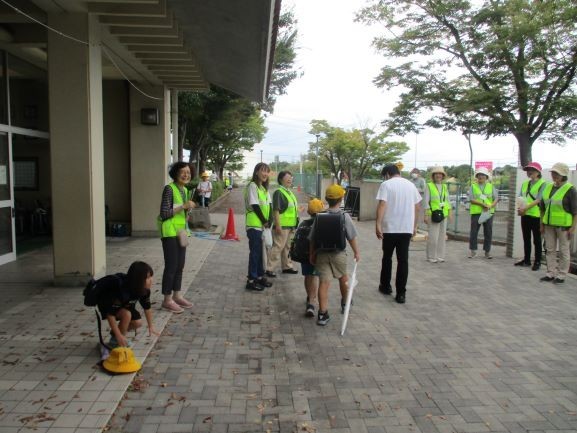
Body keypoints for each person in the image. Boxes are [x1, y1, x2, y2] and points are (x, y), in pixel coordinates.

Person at [309, 184, 360, 326]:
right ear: (341, 198)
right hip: (339, 254)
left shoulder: (320, 216)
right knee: (343, 279)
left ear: (326, 199)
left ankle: (322, 314)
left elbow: (312, 238)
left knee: (324, 283)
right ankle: (345, 303)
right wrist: (356, 251)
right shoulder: (344, 216)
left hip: (322, 254)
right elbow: (351, 236)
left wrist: (312, 253)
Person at [375, 164, 422, 304]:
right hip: (406, 228)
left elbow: (382, 204)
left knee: (387, 257)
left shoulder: (386, 185)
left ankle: (385, 286)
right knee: (403, 260)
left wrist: (378, 224)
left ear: (388, 174)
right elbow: (417, 207)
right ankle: (401, 293)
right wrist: (414, 226)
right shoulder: (411, 185)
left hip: (390, 228)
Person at [158, 162, 196, 313]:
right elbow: (164, 213)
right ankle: (167, 300)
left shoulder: (184, 190)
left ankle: (177, 295)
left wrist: (187, 213)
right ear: (175, 173)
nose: (186, 175)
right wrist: (183, 207)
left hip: (180, 232)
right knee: (171, 266)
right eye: (183, 172)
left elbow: (182, 212)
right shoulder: (169, 189)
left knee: (180, 265)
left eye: (188, 172)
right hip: (169, 233)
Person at [97, 261, 160, 348]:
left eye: (151, 276)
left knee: (137, 323)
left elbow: (147, 308)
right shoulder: (122, 291)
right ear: (138, 279)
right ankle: (116, 341)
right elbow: (110, 314)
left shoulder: (144, 290)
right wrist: (119, 336)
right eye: (148, 278)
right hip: (108, 305)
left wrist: (151, 326)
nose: (151, 280)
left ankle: (115, 336)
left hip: (125, 305)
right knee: (127, 315)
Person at [539, 162, 577, 284]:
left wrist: (573, 227)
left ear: (563, 175)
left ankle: (561, 275)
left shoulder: (570, 190)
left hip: (564, 226)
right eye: (553, 173)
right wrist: (542, 223)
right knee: (549, 249)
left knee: (563, 250)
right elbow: (542, 208)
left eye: (557, 173)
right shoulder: (548, 187)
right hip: (548, 224)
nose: (554, 175)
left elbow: (575, 211)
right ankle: (550, 273)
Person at [245, 162, 274, 291]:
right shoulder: (252, 186)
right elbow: (255, 205)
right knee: (255, 253)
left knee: (261, 253)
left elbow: (270, 206)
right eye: (263, 171)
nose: (265, 174)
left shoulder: (264, 189)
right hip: (254, 225)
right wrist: (264, 221)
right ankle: (251, 280)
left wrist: (270, 220)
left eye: (267, 171)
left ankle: (260, 277)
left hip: (263, 226)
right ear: (256, 172)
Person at [266, 171, 299, 277]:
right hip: (282, 226)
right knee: (278, 247)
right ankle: (269, 268)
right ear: (281, 179)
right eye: (287, 177)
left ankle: (287, 266)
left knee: (287, 247)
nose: (290, 179)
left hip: (291, 225)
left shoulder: (289, 192)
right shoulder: (279, 192)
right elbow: (275, 210)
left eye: (291, 177)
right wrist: (278, 225)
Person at [515, 162, 547, 270]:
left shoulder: (543, 184)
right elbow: (520, 197)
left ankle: (537, 261)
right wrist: (520, 208)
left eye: (532, 170)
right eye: (528, 170)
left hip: (536, 215)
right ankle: (527, 259)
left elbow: (538, 199)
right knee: (526, 238)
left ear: (538, 172)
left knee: (537, 240)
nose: (530, 172)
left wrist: (525, 208)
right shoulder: (525, 184)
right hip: (525, 214)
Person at [297, 198, 324, 318]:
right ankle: (312, 303)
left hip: (304, 255)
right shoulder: (322, 223)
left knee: (308, 276)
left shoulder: (303, 223)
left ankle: (309, 297)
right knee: (315, 276)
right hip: (317, 255)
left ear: (308, 211)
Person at [468, 167, 499, 259]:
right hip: (476, 212)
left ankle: (487, 251)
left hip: (488, 212)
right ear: (477, 177)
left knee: (488, 232)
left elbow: (496, 198)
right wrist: (482, 204)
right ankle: (473, 251)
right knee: (474, 232)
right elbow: (471, 199)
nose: (481, 176)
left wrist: (491, 206)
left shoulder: (491, 186)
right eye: (479, 175)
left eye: (482, 175)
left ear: (486, 177)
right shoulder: (473, 186)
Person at [423, 166, 451, 263]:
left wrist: (449, 212)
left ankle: (440, 256)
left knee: (442, 236)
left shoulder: (445, 186)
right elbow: (426, 201)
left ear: (443, 176)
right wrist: (426, 214)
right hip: (433, 214)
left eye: (440, 174)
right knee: (433, 236)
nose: (438, 175)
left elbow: (447, 201)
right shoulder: (429, 185)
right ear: (433, 176)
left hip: (443, 214)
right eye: (436, 174)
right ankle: (431, 256)